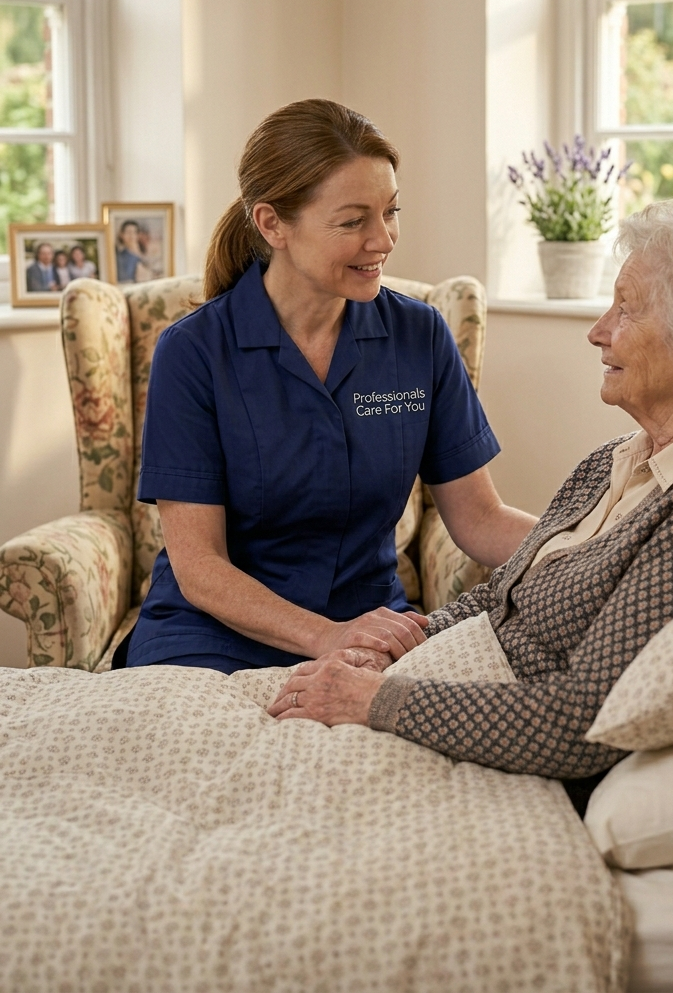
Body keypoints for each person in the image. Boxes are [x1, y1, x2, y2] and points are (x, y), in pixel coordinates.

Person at [268, 197, 673, 802]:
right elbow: (503, 595)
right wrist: (407, 640)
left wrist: (374, 699)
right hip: (435, 683)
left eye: (626, 310)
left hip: (488, 742)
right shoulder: (620, 459)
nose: (597, 331)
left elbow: (585, 717)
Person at [124, 99, 536, 674]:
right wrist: (326, 637)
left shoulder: (419, 335)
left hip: (370, 627)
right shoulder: (193, 352)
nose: (384, 239)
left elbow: (480, 520)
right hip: (210, 637)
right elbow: (200, 568)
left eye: (391, 211)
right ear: (272, 224)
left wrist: (597, 546)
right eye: (353, 221)